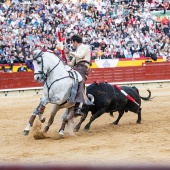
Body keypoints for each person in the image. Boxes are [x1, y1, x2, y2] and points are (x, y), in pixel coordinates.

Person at [68, 34, 93, 116]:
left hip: (83, 68)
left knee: (80, 83)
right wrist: (66, 59)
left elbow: (80, 56)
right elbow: (71, 64)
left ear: (75, 42)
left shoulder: (85, 47)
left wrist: (70, 53)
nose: (72, 45)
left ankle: (79, 106)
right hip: (76, 67)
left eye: (73, 43)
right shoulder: (76, 51)